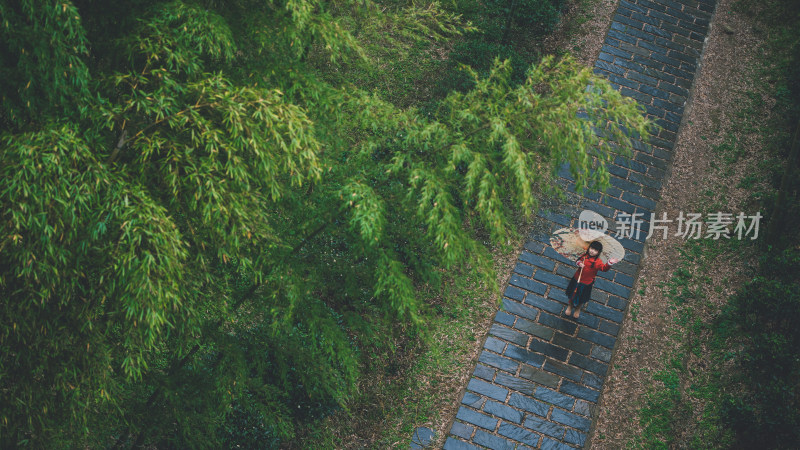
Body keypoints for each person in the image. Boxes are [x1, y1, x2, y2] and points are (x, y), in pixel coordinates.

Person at [564, 241, 619, 319]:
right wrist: (579, 263)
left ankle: (578, 308)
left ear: (598, 252)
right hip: (577, 279)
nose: (592, 251)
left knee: (582, 297)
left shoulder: (598, 262)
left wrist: (609, 263)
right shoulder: (584, 256)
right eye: (592, 248)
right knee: (573, 293)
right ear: (589, 248)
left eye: (595, 250)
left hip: (587, 282)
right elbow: (577, 260)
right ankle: (570, 306)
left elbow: (604, 268)